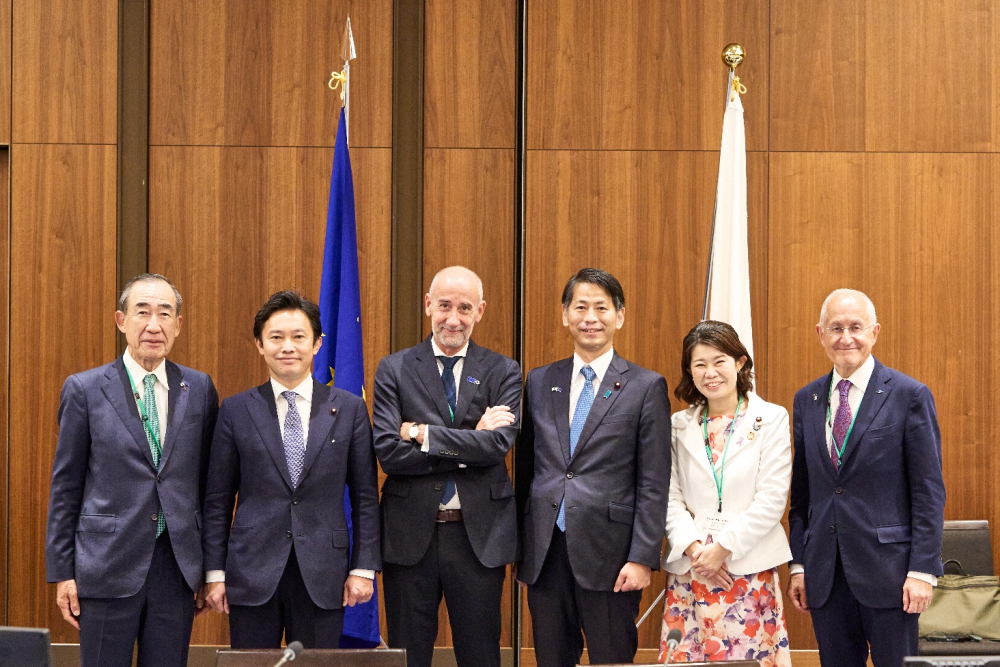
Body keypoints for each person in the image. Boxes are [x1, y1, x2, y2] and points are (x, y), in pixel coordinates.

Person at [45, 274, 219, 667]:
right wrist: (62, 572)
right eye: (143, 312)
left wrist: (208, 568)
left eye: (165, 313)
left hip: (176, 567)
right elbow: (65, 487)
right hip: (105, 564)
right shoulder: (85, 389)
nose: (154, 325)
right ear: (121, 320)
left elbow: (210, 487)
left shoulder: (200, 388)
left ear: (178, 325)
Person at [201, 290, 380, 648]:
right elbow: (218, 500)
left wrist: (363, 568)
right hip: (251, 573)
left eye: (298, 337)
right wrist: (215, 573)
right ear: (259, 344)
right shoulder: (235, 411)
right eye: (276, 337)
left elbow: (365, 497)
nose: (288, 347)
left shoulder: (348, 409)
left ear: (316, 344)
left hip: (324, 575)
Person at [515, 268, 671, 667]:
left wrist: (642, 557)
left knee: (612, 660)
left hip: (612, 557)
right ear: (565, 314)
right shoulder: (539, 380)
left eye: (602, 307)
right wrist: (522, 548)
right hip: (546, 553)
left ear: (620, 315)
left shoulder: (645, 386)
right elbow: (527, 468)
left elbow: (654, 481)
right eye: (580, 306)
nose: (591, 317)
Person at [786, 289, 946, 667]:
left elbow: (928, 491)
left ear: (874, 332)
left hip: (892, 576)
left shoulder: (909, 395)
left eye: (855, 327)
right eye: (836, 328)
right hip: (826, 576)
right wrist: (799, 565)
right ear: (820, 333)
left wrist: (923, 570)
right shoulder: (805, 399)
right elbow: (803, 492)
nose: (846, 338)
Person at [372, 266, 520, 667]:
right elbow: (389, 452)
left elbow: (497, 446)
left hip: (478, 538)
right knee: (408, 656)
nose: (453, 318)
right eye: (444, 306)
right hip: (409, 536)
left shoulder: (503, 370)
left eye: (465, 308)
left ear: (481, 311)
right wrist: (474, 440)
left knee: (480, 655)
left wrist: (421, 433)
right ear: (427, 306)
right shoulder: (395, 368)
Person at [659, 321, 792, 664]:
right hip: (692, 569)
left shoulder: (771, 418)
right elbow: (667, 497)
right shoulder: (677, 426)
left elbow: (772, 498)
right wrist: (695, 550)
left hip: (747, 566)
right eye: (699, 364)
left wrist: (723, 549)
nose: (710, 372)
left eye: (719, 361)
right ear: (689, 371)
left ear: (740, 362)